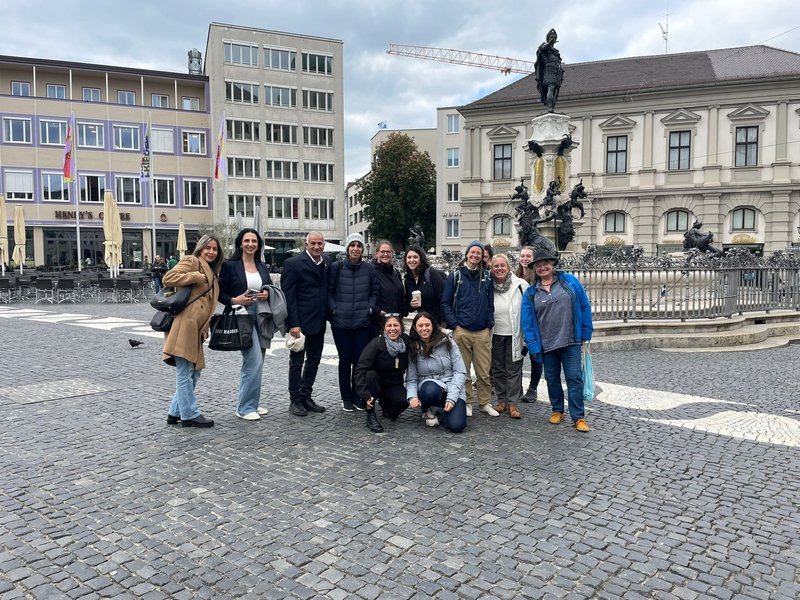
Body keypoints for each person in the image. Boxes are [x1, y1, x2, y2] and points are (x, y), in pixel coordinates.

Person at [521, 248, 593, 432]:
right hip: (546, 343)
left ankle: (578, 416)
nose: (543, 267)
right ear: (534, 268)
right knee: (552, 378)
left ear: (553, 265)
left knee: (574, 378)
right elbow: (527, 322)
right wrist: (533, 345)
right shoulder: (531, 293)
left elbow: (584, 305)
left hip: (571, 340)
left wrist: (586, 331)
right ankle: (557, 410)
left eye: (546, 263)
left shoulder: (570, 282)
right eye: (538, 265)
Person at [162, 235, 223, 428]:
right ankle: (189, 414)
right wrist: (193, 277)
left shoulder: (212, 272)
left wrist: (205, 328)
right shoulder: (192, 261)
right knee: (185, 370)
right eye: (208, 248)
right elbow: (168, 278)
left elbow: (208, 304)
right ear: (200, 249)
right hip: (184, 325)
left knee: (194, 372)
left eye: (215, 249)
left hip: (196, 328)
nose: (211, 252)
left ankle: (175, 412)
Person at [218, 228, 273, 421]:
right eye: (247, 241)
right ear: (240, 243)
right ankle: (245, 407)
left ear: (258, 245)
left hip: (262, 315)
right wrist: (235, 300)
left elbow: (268, 287)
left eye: (254, 241)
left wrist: (266, 293)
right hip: (242, 316)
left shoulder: (262, 265)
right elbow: (220, 294)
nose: (251, 244)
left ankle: (252, 402)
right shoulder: (230, 265)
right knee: (254, 361)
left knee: (257, 362)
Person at [441, 240, 498, 418]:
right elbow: (445, 302)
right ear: (466, 254)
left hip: (482, 331)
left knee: (483, 372)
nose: (475, 255)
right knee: (463, 371)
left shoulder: (487, 277)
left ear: (482, 256)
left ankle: (485, 402)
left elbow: (490, 304)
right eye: (472, 252)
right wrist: (454, 325)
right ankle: (467, 402)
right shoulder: (455, 276)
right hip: (462, 330)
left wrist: (489, 325)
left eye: (478, 253)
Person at [328, 232, 379, 412]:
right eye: (352, 245)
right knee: (345, 360)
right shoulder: (337, 267)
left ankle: (358, 395)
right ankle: (346, 396)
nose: (355, 249)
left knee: (359, 362)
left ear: (362, 249)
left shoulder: (369, 269)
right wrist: (334, 308)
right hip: (341, 323)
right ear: (347, 249)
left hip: (362, 322)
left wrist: (370, 308)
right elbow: (329, 291)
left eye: (359, 246)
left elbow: (374, 292)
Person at [282, 231, 330, 417]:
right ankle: (294, 400)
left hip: (319, 321)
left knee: (314, 361)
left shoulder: (327, 263)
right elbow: (289, 296)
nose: (317, 247)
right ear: (306, 244)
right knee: (296, 362)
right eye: (313, 244)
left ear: (323, 245)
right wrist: (293, 323)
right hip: (299, 323)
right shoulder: (293, 264)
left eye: (320, 243)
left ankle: (305, 395)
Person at [406, 312, 467, 433]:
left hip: (451, 387)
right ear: (415, 328)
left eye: (427, 325)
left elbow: (460, 372)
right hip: (429, 387)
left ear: (433, 325)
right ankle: (427, 408)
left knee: (457, 426)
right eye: (420, 325)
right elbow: (411, 378)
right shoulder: (413, 347)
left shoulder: (448, 341)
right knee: (429, 390)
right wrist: (412, 396)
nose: (424, 328)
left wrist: (452, 398)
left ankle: (443, 407)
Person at [354, 315, 409, 433]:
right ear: (384, 328)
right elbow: (360, 369)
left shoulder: (406, 342)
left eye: (396, 325)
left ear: (401, 328)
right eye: (389, 325)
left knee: (402, 403)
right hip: (375, 381)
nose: (392, 329)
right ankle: (370, 414)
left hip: (394, 383)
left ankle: (385, 404)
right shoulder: (376, 344)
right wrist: (364, 393)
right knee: (370, 375)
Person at [490, 255, 529, 419]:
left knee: (513, 370)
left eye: (502, 265)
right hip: (494, 334)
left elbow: (528, 311)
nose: (499, 268)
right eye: (496, 266)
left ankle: (513, 403)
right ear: (491, 269)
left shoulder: (520, 285)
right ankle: (501, 400)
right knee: (497, 369)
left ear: (508, 267)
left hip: (514, 334)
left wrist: (528, 337)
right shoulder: (488, 285)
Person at [514, 246, 543, 403]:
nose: (525, 259)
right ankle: (516, 386)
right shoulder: (514, 276)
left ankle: (533, 389)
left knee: (535, 356)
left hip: (534, 323)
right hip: (517, 322)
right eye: (522, 256)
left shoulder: (538, 278)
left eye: (528, 256)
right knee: (516, 356)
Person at [370, 240, 406, 338]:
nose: (385, 254)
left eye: (388, 252)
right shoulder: (370, 271)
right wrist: (378, 311)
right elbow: (366, 295)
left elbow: (401, 294)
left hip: (395, 322)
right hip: (378, 322)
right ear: (377, 253)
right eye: (382, 252)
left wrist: (403, 311)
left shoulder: (395, 272)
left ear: (392, 254)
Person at [404, 245, 445, 325]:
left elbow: (444, 299)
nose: (412, 260)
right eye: (409, 257)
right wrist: (411, 304)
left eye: (415, 257)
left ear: (421, 259)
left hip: (438, 323)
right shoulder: (408, 279)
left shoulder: (431, 273)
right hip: (423, 324)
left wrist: (444, 324)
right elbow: (409, 306)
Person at [535, 28, 564, 113]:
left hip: (557, 71)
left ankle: (552, 107)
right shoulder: (544, 46)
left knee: (555, 90)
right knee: (551, 88)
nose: (553, 38)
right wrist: (549, 43)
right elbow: (543, 49)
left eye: (554, 37)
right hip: (549, 70)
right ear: (547, 38)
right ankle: (550, 107)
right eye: (551, 37)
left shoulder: (556, 51)